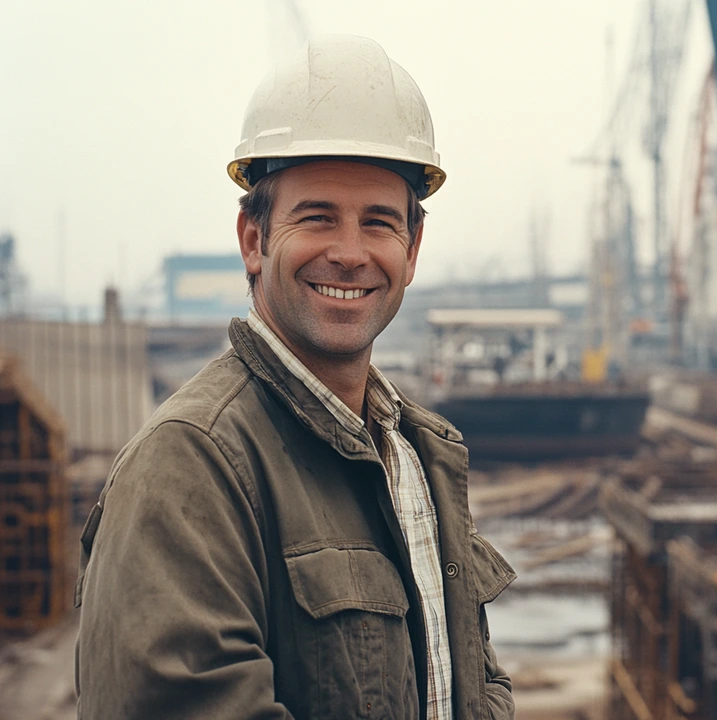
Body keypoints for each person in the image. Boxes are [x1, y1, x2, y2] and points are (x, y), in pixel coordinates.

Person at [75, 35, 516, 720]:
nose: (350, 253)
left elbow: (472, 691)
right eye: (317, 218)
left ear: (412, 249)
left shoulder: (418, 457)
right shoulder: (189, 468)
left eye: (378, 223)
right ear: (254, 240)